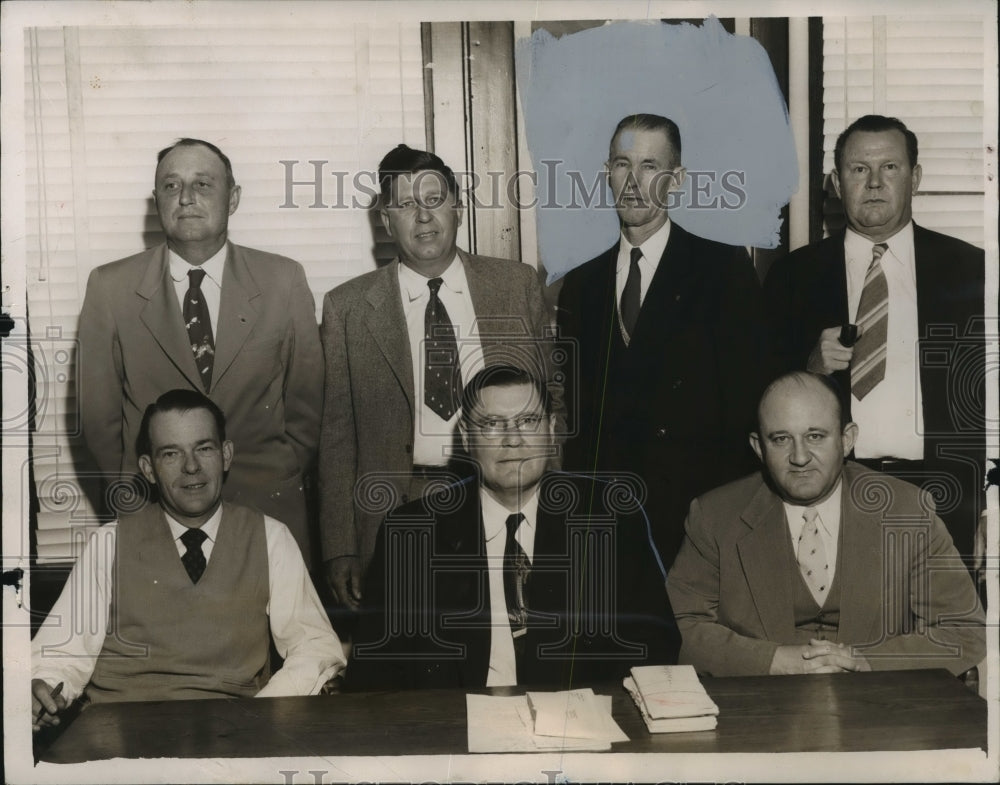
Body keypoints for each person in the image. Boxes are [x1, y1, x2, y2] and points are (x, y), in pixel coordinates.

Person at [319, 145, 558, 613]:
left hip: (500, 494)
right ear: (386, 221)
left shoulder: (515, 285)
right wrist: (340, 546)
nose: (423, 216)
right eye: (406, 204)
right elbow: (335, 436)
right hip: (394, 508)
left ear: (458, 207)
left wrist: (550, 504)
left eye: (434, 199)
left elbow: (552, 405)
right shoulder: (347, 307)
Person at [346, 365, 678, 690]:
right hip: (454, 725)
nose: (513, 440)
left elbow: (653, 645)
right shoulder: (411, 532)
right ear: (466, 436)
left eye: (528, 421)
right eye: (492, 424)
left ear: (550, 430)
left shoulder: (609, 514)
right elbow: (376, 672)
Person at [31, 390, 345, 732]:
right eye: (171, 453)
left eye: (204, 448)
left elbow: (315, 645)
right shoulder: (108, 544)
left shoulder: (271, 538)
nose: (191, 467)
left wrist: (260, 715)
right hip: (121, 736)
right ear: (149, 469)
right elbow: (59, 655)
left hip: (234, 737)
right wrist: (42, 690)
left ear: (225, 455)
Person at [78, 138, 323, 563]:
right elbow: (99, 422)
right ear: (157, 202)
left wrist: (274, 475)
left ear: (234, 198)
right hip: (153, 510)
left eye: (203, 184)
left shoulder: (284, 280)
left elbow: (308, 408)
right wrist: (142, 487)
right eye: (171, 186)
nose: (186, 198)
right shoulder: (110, 287)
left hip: (266, 507)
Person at [764, 115, 985, 562]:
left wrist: (990, 507)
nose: (875, 183)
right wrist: (809, 370)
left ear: (915, 177)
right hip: (831, 496)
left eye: (890, 168)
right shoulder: (794, 277)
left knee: (939, 631)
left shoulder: (971, 270)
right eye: (858, 169)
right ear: (836, 182)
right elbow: (758, 394)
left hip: (944, 499)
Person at [667, 371, 985, 678]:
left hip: (879, 709)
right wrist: (773, 661)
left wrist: (865, 662)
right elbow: (681, 628)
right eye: (781, 439)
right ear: (758, 448)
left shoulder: (907, 511)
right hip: (760, 711)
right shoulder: (714, 516)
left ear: (847, 440)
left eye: (815, 436)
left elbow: (964, 630)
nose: (800, 457)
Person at [557, 113, 767, 572]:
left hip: (698, 521)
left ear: (677, 180)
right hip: (606, 523)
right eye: (621, 164)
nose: (633, 181)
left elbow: (746, 406)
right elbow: (576, 417)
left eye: (650, 166)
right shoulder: (581, 284)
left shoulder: (722, 270)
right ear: (605, 174)